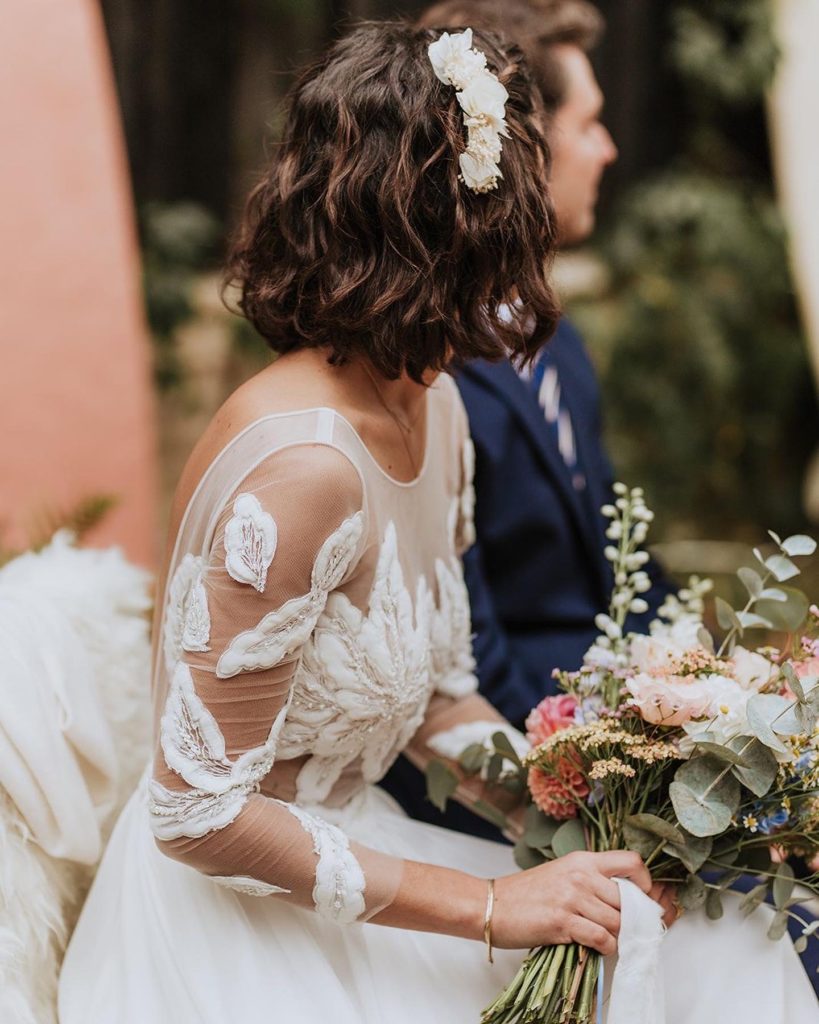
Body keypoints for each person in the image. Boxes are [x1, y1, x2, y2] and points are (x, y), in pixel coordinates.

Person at [58, 21, 816, 1024]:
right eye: (524, 198)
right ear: (459, 225)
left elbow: (440, 697)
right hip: (239, 930)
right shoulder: (301, 470)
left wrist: (591, 814)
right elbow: (198, 812)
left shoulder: (437, 402)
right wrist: (501, 902)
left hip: (370, 858)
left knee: (704, 944)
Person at [382, 0, 672, 836]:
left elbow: (621, 560)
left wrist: (709, 690)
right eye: (589, 123)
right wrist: (604, 789)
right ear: (524, 150)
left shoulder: (557, 338)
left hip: (615, 724)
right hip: (503, 783)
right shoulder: (423, 371)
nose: (607, 149)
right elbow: (466, 651)